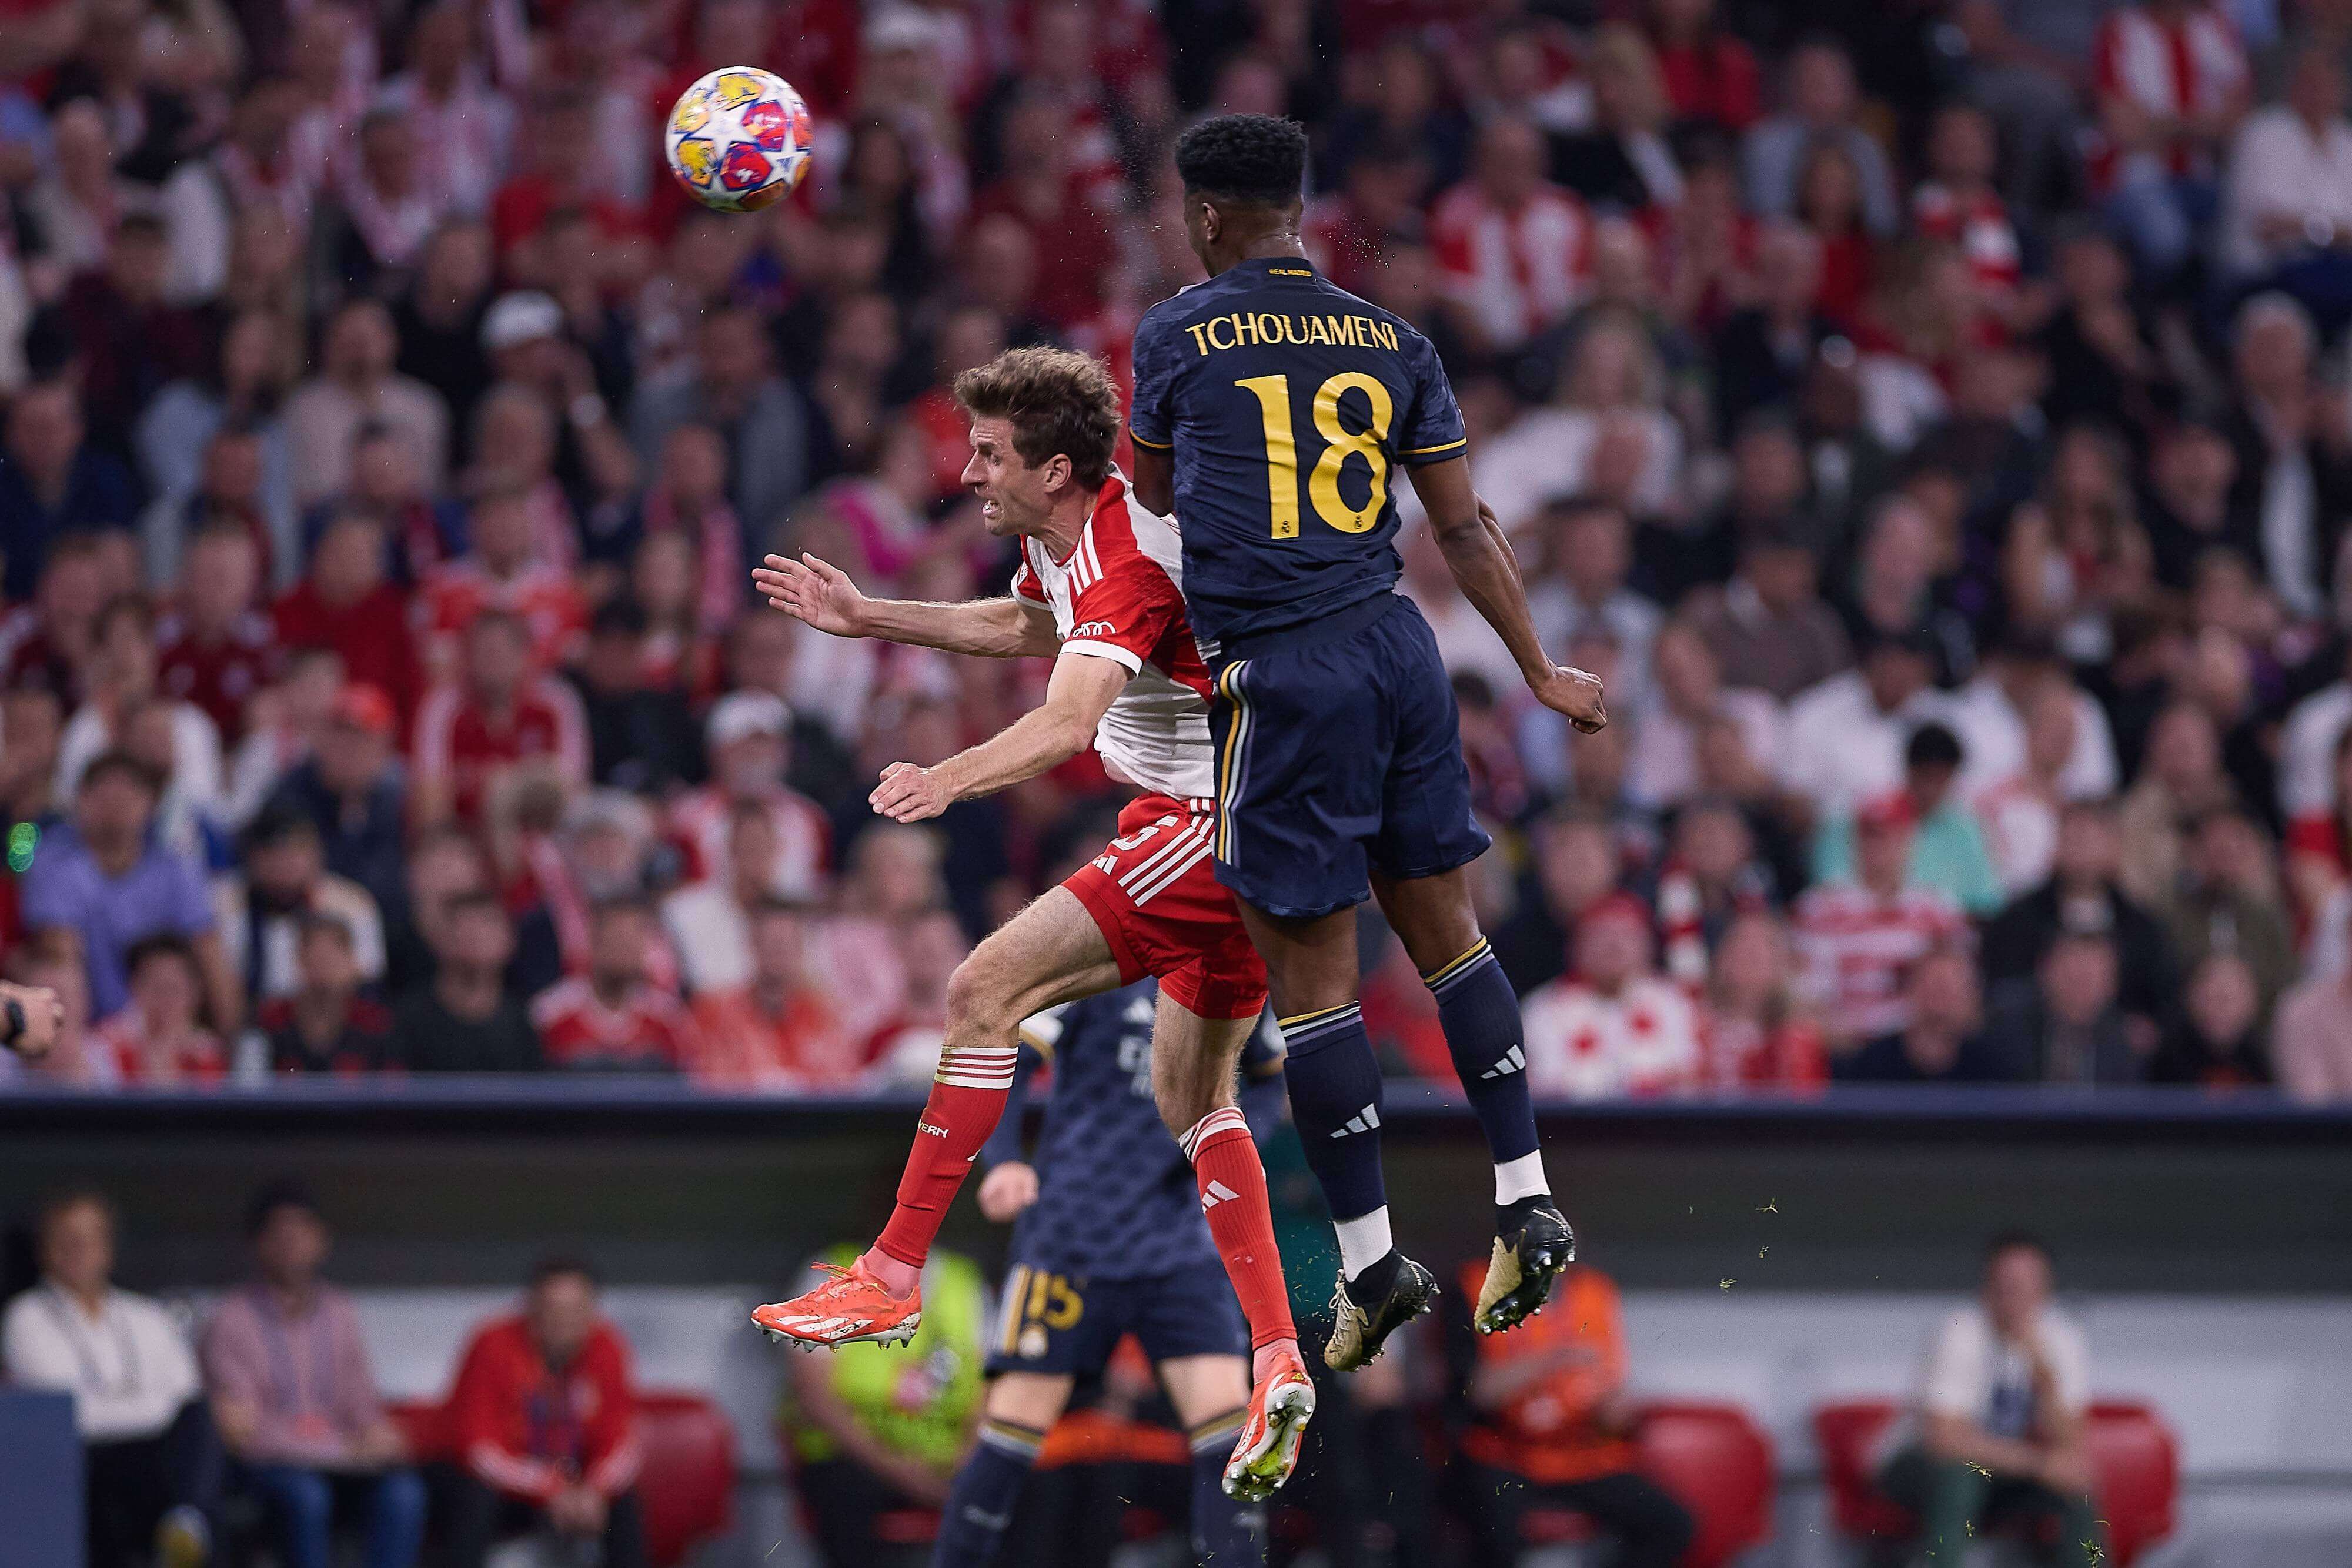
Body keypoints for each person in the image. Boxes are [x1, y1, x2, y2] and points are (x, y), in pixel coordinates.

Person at [750, 347, 1313, 1499]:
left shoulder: (1122, 562)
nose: (968, 473)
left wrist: (947, 779)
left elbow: (1065, 718)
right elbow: (1024, 624)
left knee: (980, 990)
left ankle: (894, 1269)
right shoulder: (1073, 538)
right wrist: (868, 618)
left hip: (1209, 823)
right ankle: (1275, 1351)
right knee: (1195, 1097)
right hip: (1257, 832)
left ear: (1056, 468)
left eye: (990, 454)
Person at [1124, 112, 1604, 1365]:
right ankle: (1526, 1193)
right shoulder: (1393, 338)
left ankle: (1368, 1263)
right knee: (1450, 935)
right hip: (1399, 650)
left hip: (1283, 675)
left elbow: (1158, 496)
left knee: (1313, 984)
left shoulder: (1177, 331)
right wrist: (1538, 667)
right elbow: (1462, 527)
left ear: (1211, 218)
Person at [933, 978, 1286, 1566]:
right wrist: (1003, 1163)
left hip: (1178, 1247)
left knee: (1233, 1443)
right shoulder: (1095, 956)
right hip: (1070, 1243)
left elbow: (1271, 1080)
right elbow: (1011, 1060)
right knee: (1008, 1436)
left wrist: (1236, 1144)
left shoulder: (1233, 968)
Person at [202, 1182, 425, 1568]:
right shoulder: (231, 1319)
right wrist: (333, 1448)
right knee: (307, 1494)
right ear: (259, 1243)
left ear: (322, 1241)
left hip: (341, 1462)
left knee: (403, 1492)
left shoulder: (340, 1311)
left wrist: (375, 1432)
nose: (292, 1243)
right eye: (279, 1232)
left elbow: (361, 1401)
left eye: (303, 1231)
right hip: (269, 1467)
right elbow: (244, 1431)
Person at [2, 1190, 223, 1568]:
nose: (78, 1250)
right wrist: (152, 1404)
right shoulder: (27, 1317)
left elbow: (187, 1395)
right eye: (66, 1240)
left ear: (108, 1247)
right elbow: (68, 1414)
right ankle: (185, 1526)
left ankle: (186, 1526)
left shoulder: (148, 1315)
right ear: (45, 1249)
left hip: (158, 1458)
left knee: (201, 1422)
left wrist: (127, 1404)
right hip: (85, 1463)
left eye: (89, 1239)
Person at [1446, 1261, 1694, 1568]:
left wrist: (1616, 1411)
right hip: (1504, 1456)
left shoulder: (1593, 1291)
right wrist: (1554, 1358)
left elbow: (1613, 1406)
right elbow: (1477, 1393)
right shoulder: (1473, 1286)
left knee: (1671, 1526)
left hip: (1583, 1458)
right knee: (1491, 1533)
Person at [1876, 1234, 2103, 1567]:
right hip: (1916, 1464)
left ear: (2045, 1289)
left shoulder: (2061, 1337)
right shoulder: (1960, 1330)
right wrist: (2039, 1465)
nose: (2015, 1297)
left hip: (2005, 1471)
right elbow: (1944, 1440)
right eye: (2006, 1285)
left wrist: (2045, 1379)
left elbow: (2073, 1445)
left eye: (2026, 1286)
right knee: (1960, 1477)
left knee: (2077, 1485)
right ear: (1987, 1287)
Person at [440, 1258, 648, 1568]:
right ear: (531, 1308)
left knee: (623, 1503)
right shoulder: (492, 1344)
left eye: (576, 1310)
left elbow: (623, 1441)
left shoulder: (607, 1346)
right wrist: (550, 1490)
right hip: (510, 1487)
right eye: (553, 1309)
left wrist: (595, 1491)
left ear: (592, 1311)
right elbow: (478, 1450)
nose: (564, 1322)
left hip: (575, 1488)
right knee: (476, 1498)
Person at [21, 750, 239, 1028]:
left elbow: (209, 952)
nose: (115, 807)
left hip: (160, 1028)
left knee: (189, 961)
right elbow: (61, 951)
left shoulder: (175, 868)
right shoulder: (55, 863)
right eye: (105, 797)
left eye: (126, 798)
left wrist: (230, 1043)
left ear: (150, 805)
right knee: (57, 970)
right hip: (88, 1031)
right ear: (80, 801)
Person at [387, 891, 543, 1072]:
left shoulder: (523, 1023)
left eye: (486, 923)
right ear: (438, 940)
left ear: (509, 940)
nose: (475, 936)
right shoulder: (406, 1022)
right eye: (464, 926)